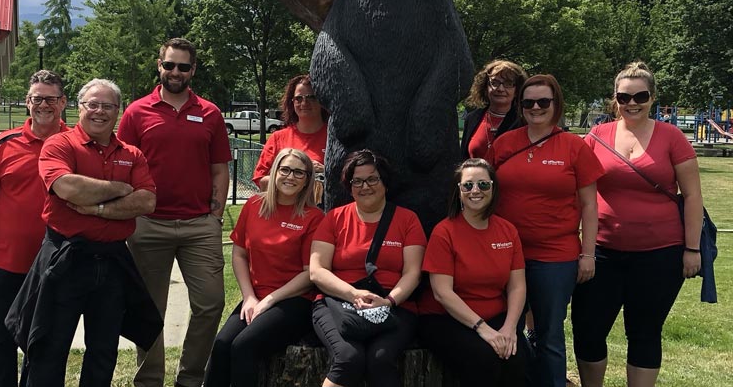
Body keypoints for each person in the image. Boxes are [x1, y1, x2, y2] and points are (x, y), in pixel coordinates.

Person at [7, 78, 161, 387]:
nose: (100, 112)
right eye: (93, 104)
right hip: (65, 258)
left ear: (119, 111)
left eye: (108, 106)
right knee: (48, 347)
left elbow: (146, 201)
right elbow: (66, 186)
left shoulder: (131, 153)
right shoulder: (59, 145)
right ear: (80, 107)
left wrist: (96, 208)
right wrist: (120, 189)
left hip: (113, 261)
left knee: (103, 351)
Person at [572, 62, 703, 387]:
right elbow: (579, 196)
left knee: (644, 332)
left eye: (640, 96)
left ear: (653, 97)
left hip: (659, 254)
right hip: (601, 251)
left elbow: (693, 197)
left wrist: (692, 248)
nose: (632, 103)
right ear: (615, 99)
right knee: (588, 329)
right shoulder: (596, 137)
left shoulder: (672, 137)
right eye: (624, 96)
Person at [117, 37, 232, 387]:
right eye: (169, 65)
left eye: (183, 66)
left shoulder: (210, 113)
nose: (176, 72)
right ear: (159, 65)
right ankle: (149, 380)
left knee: (211, 303)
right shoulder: (137, 112)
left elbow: (219, 168)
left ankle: (190, 378)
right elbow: (122, 166)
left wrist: (214, 216)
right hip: (149, 225)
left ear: (193, 70)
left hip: (199, 224)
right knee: (149, 311)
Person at [487, 74, 603, 387]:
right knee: (502, 327)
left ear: (556, 105)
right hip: (505, 254)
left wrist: (588, 253)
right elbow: (484, 193)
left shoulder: (573, 147)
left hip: (555, 256)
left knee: (549, 333)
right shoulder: (504, 144)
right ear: (519, 106)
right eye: (528, 102)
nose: (535, 107)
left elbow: (590, 206)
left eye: (543, 102)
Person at [0, 70, 68, 387]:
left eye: (50, 99)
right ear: (27, 102)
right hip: (7, 263)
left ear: (63, 103)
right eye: (36, 98)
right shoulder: (3, 144)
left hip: (56, 266)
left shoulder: (75, 144)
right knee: (1, 339)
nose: (43, 105)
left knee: (45, 342)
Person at [204, 148, 323, 387]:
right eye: (285, 169)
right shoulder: (254, 205)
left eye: (299, 173)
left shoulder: (314, 217)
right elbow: (239, 254)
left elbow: (309, 274)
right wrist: (248, 297)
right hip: (255, 297)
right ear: (274, 172)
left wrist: (269, 300)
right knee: (222, 344)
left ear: (307, 181)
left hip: (295, 300)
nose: (290, 177)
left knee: (244, 346)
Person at [310, 150, 426, 387]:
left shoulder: (407, 220)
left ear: (385, 182)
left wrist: (390, 301)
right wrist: (353, 294)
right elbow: (317, 270)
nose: (365, 186)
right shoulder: (334, 218)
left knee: (380, 360)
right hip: (337, 302)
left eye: (372, 179)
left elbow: (412, 273)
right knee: (348, 358)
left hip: (393, 305)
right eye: (357, 181)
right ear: (349, 186)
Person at [418, 158, 526, 387]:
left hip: (495, 315)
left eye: (483, 185)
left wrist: (510, 328)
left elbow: (517, 286)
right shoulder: (444, 232)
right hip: (446, 319)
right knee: (484, 360)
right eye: (468, 185)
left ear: (493, 188)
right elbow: (442, 293)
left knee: (518, 362)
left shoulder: (508, 230)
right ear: (458, 191)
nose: (475, 190)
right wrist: (484, 330)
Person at [253, 74, 328, 192]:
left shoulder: (335, 138)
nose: (304, 103)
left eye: (311, 97)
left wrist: (325, 173)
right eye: (298, 98)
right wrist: (295, 175)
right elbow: (260, 180)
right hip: (285, 209)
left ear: (322, 100)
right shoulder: (278, 138)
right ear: (292, 103)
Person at [461, 60, 528, 160]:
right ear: (485, 88)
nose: (500, 89)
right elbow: (462, 159)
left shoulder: (524, 121)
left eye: (508, 83)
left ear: (517, 91)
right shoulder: (472, 119)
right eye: (494, 83)